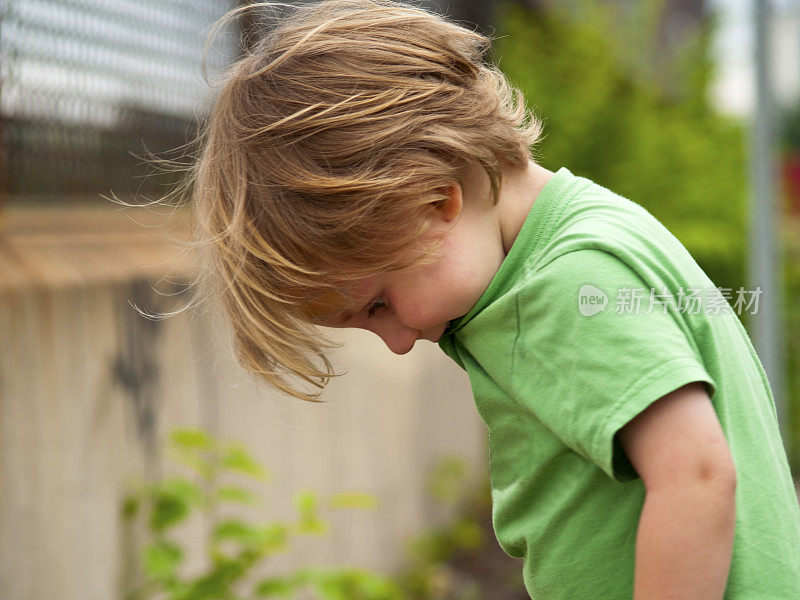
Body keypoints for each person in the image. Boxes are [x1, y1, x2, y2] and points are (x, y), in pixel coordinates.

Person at [188, 1, 800, 598]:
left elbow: (696, 477)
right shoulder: (586, 228)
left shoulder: (563, 286)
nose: (399, 343)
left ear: (435, 197)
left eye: (380, 306)